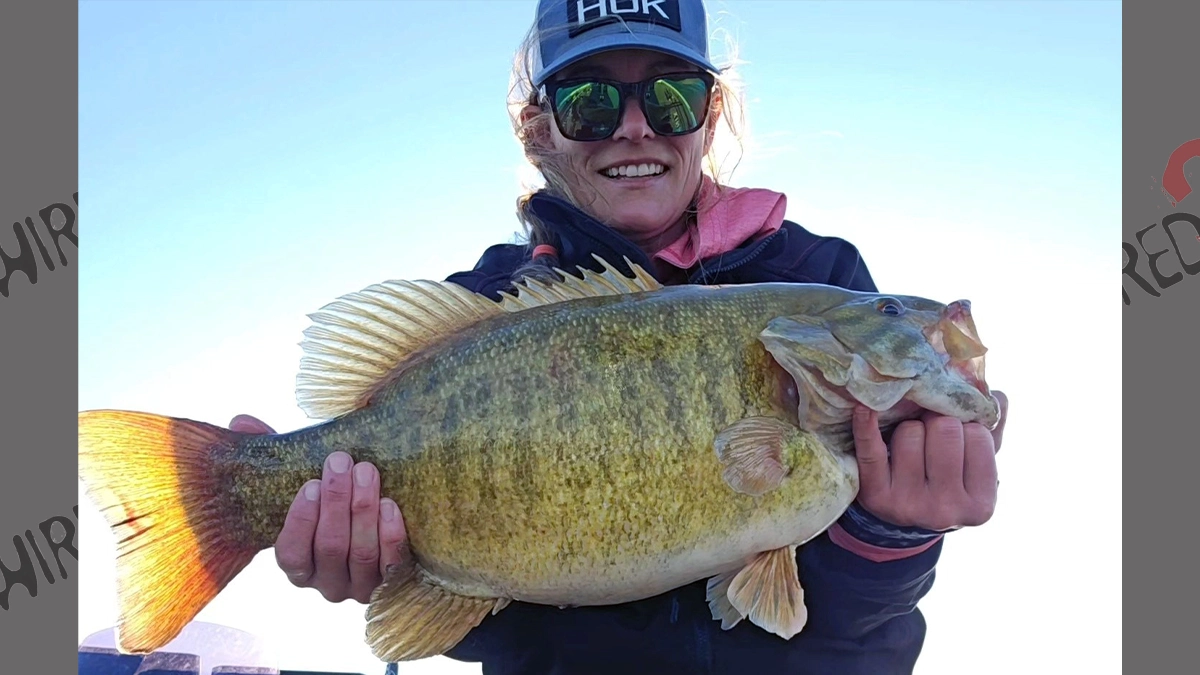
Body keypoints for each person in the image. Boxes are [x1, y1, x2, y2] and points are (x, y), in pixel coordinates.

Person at [229, 1, 1010, 673]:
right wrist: (387, 557)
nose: (634, 128)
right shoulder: (487, 306)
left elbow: (848, 636)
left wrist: (891, 538)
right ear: (540, 127)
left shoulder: (819, 272)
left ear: (709, 115)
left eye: (671, 97)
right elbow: (500, 630)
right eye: (591, 102)